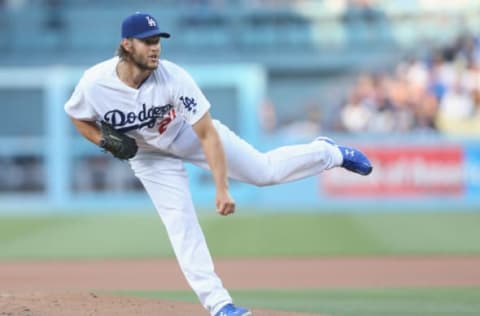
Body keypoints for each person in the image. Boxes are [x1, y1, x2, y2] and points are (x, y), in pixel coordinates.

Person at [64, 12, 373, 316]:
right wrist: (103, 140)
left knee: (264, 172)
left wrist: (222, 187)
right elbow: (78, 117)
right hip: (149, 156)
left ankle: (327, 153)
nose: (155, 47)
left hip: (187, 134)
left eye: (157, 40)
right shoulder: (95, 83)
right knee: (180, 226)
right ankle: (220, 305)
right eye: (147, 41)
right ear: (127, 45)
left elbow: (207, 134)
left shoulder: (173, 78)